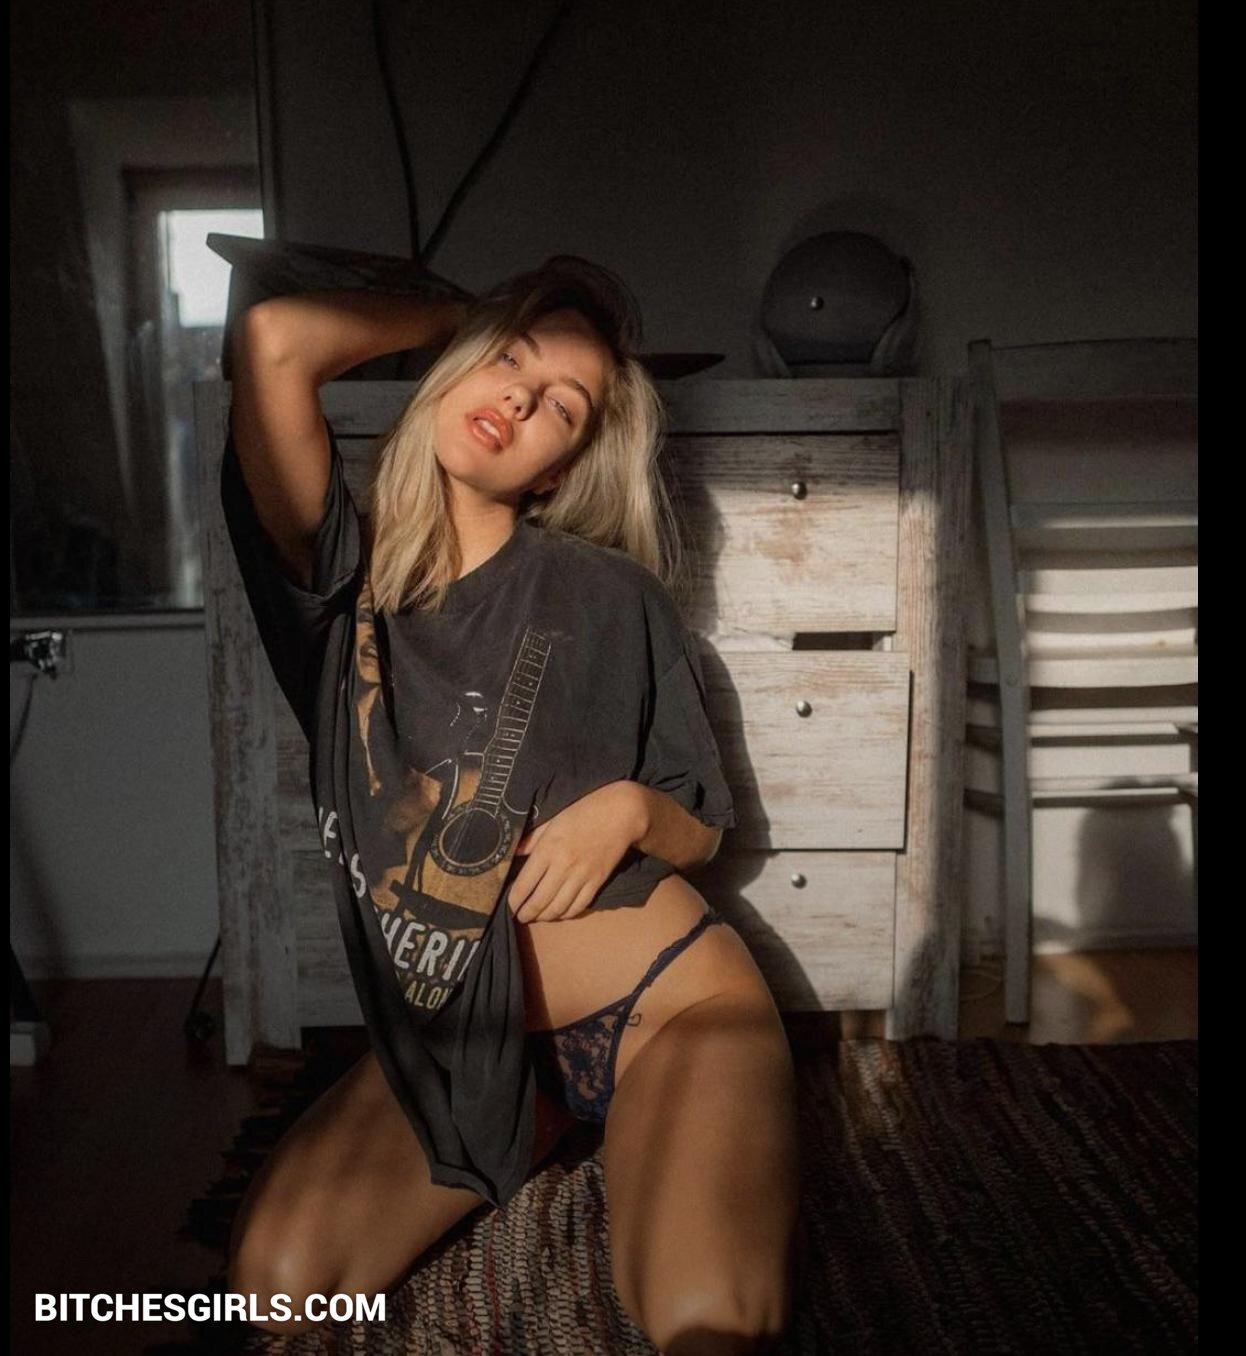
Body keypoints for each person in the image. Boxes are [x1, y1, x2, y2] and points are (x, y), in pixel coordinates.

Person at [220, 255, 800, 1353]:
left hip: (665, 1006)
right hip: (462, 1047)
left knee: (706, 1322)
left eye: (561, 407)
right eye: (510, 362)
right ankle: (533, 1126)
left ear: (556, 471)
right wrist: (462, 318)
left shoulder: (606, 593)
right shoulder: (334, 590)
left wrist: (628, 811)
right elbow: (273, 341)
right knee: (276, 1290)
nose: (521, 400)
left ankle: (641, 1126)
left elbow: (700, 822)